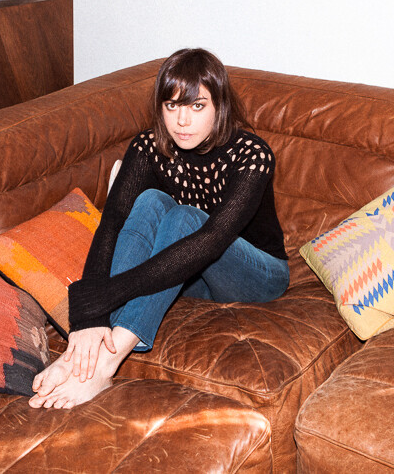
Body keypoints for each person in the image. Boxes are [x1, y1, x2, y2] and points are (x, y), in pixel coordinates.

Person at [29, 48, 290, 409]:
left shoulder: (252, 155)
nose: (182, 121)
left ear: (219, 106)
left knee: (186, 218)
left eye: (197, 106)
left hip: (258, 275)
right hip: (189, 277)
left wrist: (104, 294)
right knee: (150, 200)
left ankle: (106, 363)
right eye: (171, 106)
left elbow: (212, 240)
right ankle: (84, 355)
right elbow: (112, 222)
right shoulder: (147, 147)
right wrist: (90, 318)